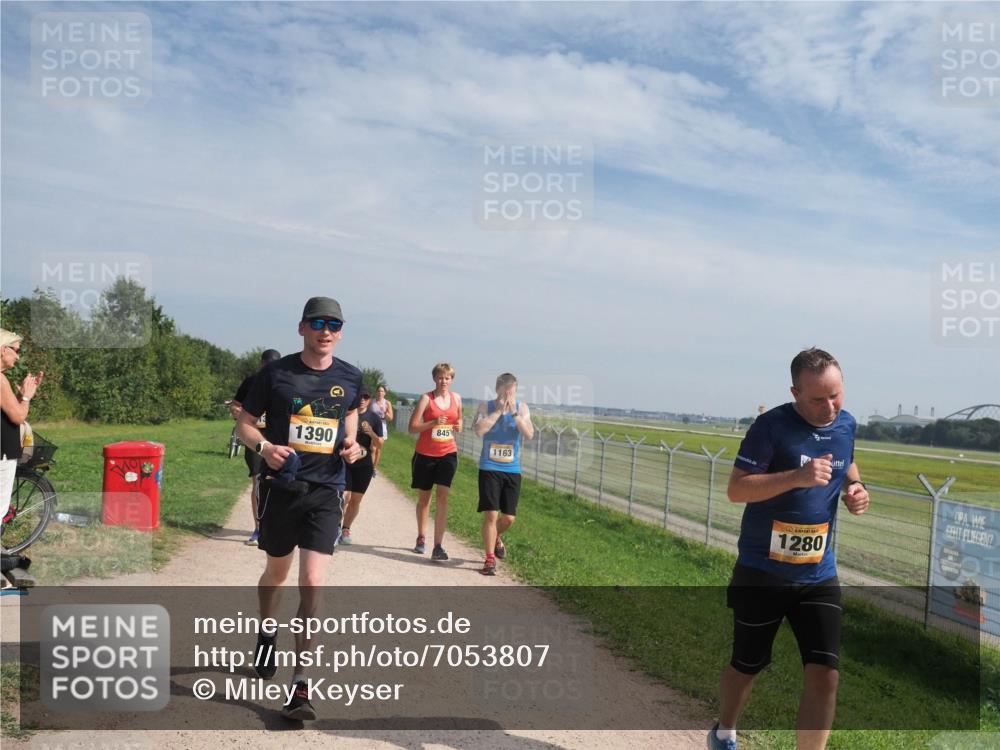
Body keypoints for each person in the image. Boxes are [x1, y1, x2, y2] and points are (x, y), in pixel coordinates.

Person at [708, 348, 869, 750]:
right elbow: (736, 489)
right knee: (747, 666)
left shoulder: (846, 424)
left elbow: (846, 462)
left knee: (825, 675)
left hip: (819, 573)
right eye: (817, 399)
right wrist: (796, 476)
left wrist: (855, 488)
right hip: (763, 571)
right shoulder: (770, 427)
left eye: (836, 395)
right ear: (795, 392)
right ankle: (725, 732)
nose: (829, 406)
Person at [236, 297, 364, 721]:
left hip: (326, 491)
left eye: (333, 324)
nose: (325, 331)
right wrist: (266, 446)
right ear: (302, 328)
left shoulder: (350, 377)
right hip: (281, 488)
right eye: (317, 323)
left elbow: (348, 418)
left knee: (312, 584)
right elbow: (245, 423)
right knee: (277, 574)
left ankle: (300, 685)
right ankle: (267, 629)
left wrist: (352, 443)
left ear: (340, 332)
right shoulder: (276, 373)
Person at [473, 373, 533, 575]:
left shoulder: (522, 408)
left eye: (512, 389)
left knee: (508, 518)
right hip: (489, 467)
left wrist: (514, 414)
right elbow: (479, 430)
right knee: (491, 514)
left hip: (511, 469)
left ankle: (495, 536)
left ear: (516, 389)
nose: (508, 393)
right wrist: (498, 411)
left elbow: (529, 434)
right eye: (505, 389)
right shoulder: (485, 406)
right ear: (497, 388)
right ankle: (489, 560)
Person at [408, 363, 462, 562]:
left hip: (448, 453)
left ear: (452, 379)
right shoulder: (426, 399)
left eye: (447, 378)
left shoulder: (457, 399)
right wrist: (432, 423)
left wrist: (458, 425)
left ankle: (438, 546)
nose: (444, 381)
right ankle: (422, 536)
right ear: (435, 379)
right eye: (440, 377)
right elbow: (412, 427)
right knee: (424, 499)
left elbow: (460, 421)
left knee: (443, 497)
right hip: (425, 454)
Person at [230, 348, 281, 546]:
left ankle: (275, 525)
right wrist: (236, 411)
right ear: (262, 364)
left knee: (277, 483)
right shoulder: (251, 382)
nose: (270, 369)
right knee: (258, 482)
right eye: (267, 366)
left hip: (278, 439)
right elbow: (235, 405)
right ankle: (259, 528)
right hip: (254, 438)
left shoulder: (284, 381)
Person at [0, 329, 43, 546]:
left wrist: (19, 397)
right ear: (2, 350)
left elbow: (5, 411)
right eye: (15, 350)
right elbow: (17, 416)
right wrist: (26, 396)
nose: (18, 356)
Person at [339, 390, 385, 545]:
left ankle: (346, 528)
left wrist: (371, 433)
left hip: (364, 464)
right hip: (345, 461)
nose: (362, 400)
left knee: (356, 500)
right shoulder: (347, 413)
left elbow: (380, 444)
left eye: (366, 397)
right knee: (345, 496)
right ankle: (335, 527)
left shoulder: (374, 418)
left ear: (369, 399)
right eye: (360, 396)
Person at [369, 384, 393, 470]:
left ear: (385, 393)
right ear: (376, 392)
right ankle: (370, 468)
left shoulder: (387, 403)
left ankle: (374, 468)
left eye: (382, 391)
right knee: (373, 448)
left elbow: (390, 418)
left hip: (382, 427)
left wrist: (386, 413)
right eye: (378, 391)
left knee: (378, 449)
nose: (380, 393)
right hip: (372, 427)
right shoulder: (372, 402)